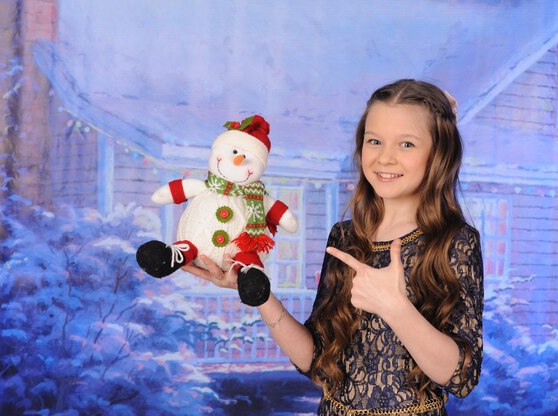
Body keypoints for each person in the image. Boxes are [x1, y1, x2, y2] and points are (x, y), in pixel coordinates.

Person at [183, 79, 484, 415]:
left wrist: (396, 308)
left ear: (438, 153)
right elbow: (316, 361)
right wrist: (259, 293)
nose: (385, 157)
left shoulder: (454, 241)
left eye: (407, 144)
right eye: (375, 141)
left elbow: (462, 377)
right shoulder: (345, 237)